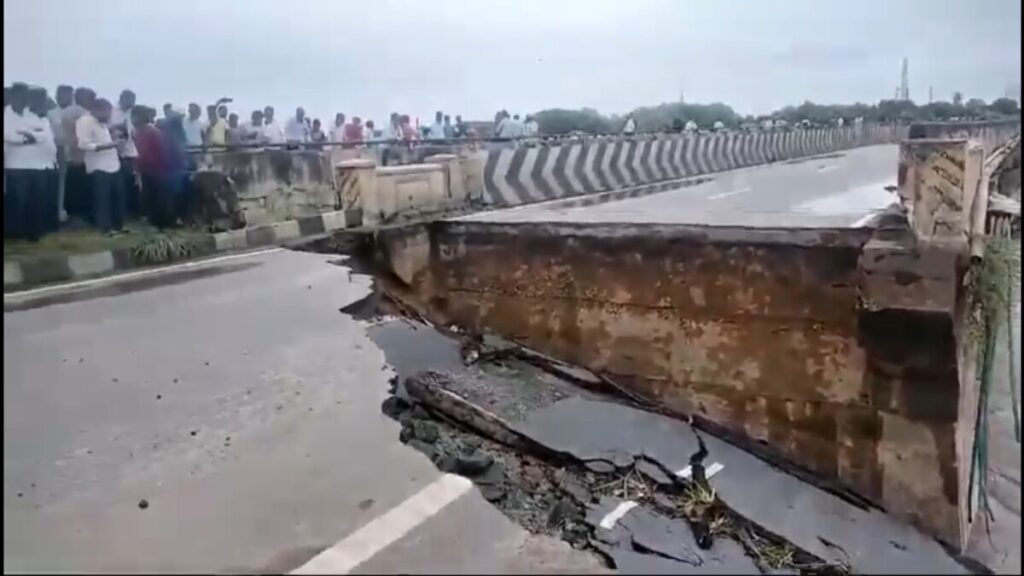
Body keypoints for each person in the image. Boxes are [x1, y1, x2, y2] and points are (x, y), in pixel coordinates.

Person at [4, 83, 55, 241]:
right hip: (16, 165)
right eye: (20, 95)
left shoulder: (33, 116)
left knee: (37, 200)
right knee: (17, 200)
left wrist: (26, 136)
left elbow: (44, 134)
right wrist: (31, 136)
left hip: (37, 166)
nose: (24, 99)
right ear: (12, 96)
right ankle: (14, 234)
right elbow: (10, 137)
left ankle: (34, 233)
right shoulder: (6, 115)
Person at [77, 98, 125, 233]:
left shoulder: (103, 123)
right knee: (102, 199)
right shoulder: (85, 121)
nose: (109, 116)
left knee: (117, 196)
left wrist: (116, 141)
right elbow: (84, 144)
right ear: (97, 110)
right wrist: (108, 145)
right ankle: (105, 227)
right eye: (107, 112)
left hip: (113, 164)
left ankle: (118, 225)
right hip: (98, 166)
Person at [132, 106, 174, 228]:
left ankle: (162, 225)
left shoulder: (151, 132)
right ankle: (156, 224)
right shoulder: (141, 132)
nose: (133, 119)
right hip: (148, 170)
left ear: (141, 118)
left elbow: (150, 153)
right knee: (150, 199)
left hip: (157, 171)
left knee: (158, 199)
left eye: (134, 117)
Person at [62, 86, 94, 221]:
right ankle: (79, 218)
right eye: (90, 98)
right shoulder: (80, 113)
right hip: (80, 155)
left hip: (73, 154)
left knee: (74, 189)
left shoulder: (68, 112)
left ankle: (75, 216)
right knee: (80, 189)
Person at [110, 89, 140, 218]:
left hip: (130, 153)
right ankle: (121, 213)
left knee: (131, 184)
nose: (133, 103)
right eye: (131, 101)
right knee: (120, 185)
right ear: (123, 99)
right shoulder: (113, 113)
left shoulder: (129, 113)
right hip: (117, 153)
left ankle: (131, 213)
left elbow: (132, 132)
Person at [47, 84, 73, 223]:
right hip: (57, 152)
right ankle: (57, 213)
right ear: (57, 96)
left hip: (72, 154)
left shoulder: (75, 113)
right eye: (64, 95)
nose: (68, 98)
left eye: (70, 95)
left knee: (67, 185)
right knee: (57, 184)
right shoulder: (51, 114)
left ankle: (63, 212)